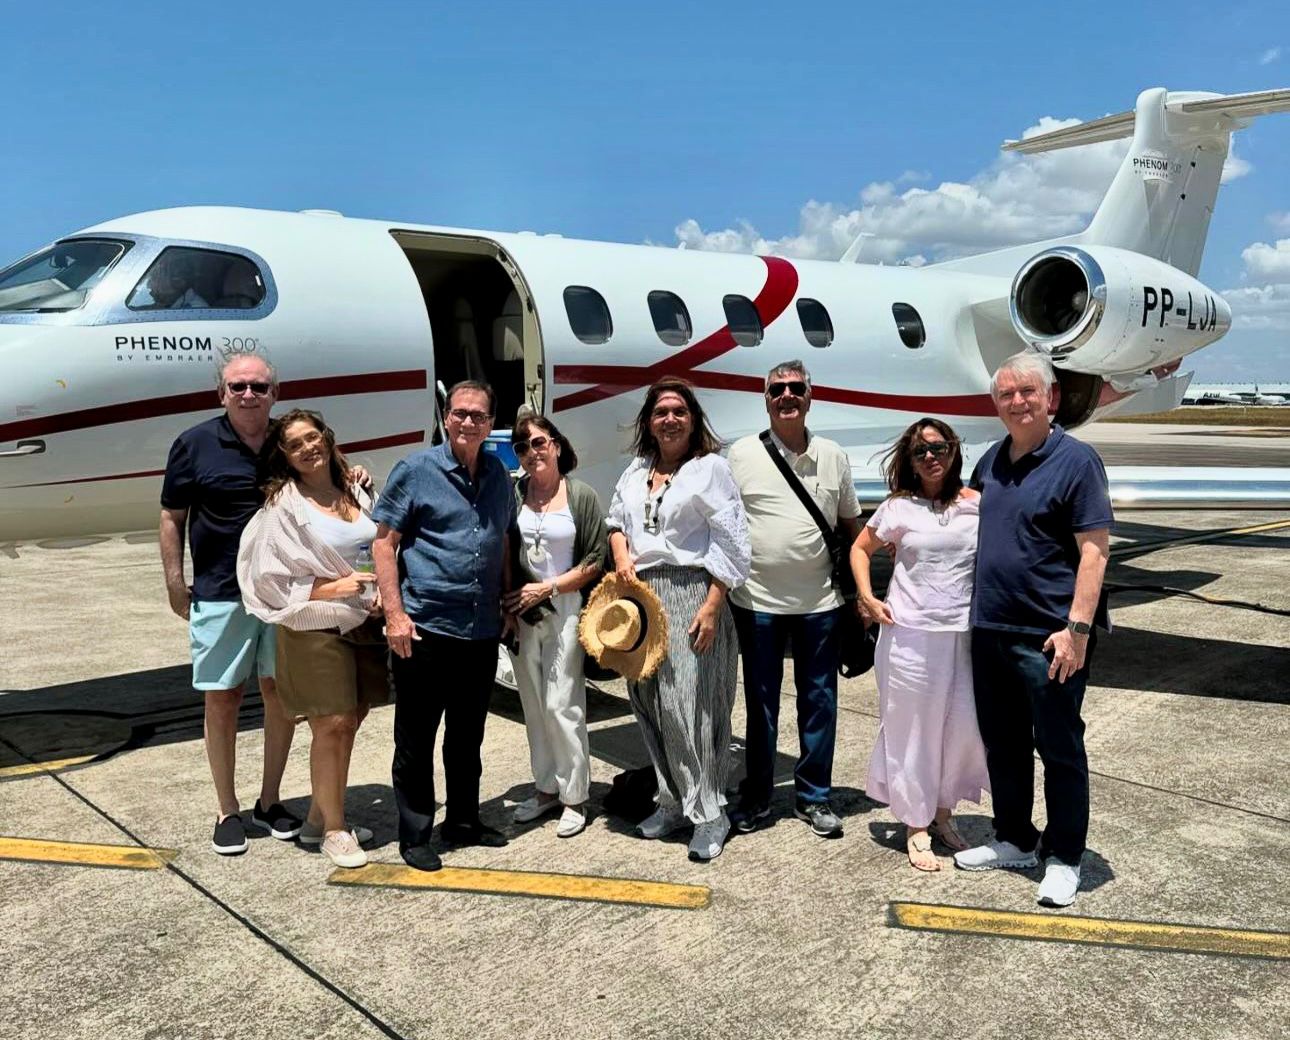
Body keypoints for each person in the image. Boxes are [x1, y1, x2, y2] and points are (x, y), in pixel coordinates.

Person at [953, 351, 1112, 909]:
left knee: (1060, 747)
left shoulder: (1078, 461)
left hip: (1049, 637)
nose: (1016, 401)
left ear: (1051, 399)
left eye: (1027, 392)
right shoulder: (991, 461)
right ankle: (1015, 838)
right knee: (1005, 744)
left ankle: (1066, 855)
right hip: (991, 628)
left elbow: (1093, 552)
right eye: (1005, 394)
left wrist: (1078, 630)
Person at [372, 380, 518, 872]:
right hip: (426, 627)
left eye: (478, 415)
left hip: (479, 629)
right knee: (416, 737)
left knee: (466, 736)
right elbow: (384, 543)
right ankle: (415, 833)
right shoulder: (416, 471)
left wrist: (506, 603)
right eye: (459, 413)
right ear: (446, 416)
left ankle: (463, 820)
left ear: (490, 421)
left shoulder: (499, 475)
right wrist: (394, 614)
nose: (468, 422)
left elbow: (500, 541)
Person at [160, 353, 299, 855]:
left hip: (284, 593)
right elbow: (172, 516)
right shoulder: (194, 444)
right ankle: (227, 809)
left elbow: (329, 480)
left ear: (274, 393)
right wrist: (176, 581)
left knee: (279, 694)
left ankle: (270, 801)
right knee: (223, 698)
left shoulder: (291, 440)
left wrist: (359, 477)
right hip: (221, 591)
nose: (248, 395)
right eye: (238, 386)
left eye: (259, 386)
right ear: (221, 393)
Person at [607, 377, 751, 862]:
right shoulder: (636, 470)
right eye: (661, 412)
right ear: (648, 421)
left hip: (692, 592)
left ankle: (710, 812)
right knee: (647, 701)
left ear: (693, 420)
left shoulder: (710, 469)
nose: (669, 419)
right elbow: (615, 524)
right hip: (642, 595)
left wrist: (712, 605)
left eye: (678, 412)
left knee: (692, 709)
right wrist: (623, 558)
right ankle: (671, 801)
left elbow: (731, 542)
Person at [237, 409, 388, 869]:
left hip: (362, 621)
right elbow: (263, 578)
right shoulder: (283, 506)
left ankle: (319, 819)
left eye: (313, 436)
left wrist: (380, 590)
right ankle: (336, 831)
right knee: (332, 722)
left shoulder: (354, 489)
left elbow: (379, 543)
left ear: (327, 437)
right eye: (295, 444)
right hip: (314, 625)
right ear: (284, 456)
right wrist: (324, 588)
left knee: (353, 716)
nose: (308, 447)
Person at [726, 360, 861, 839]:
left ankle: (814, 796)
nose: (787, 395)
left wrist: (860, 594)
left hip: (820, 604)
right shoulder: (739, 454)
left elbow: (852, 528)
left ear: (810, 395)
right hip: (757, 602)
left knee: (819, 700)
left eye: (795, 388)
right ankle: (758, 795)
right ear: (765, 398)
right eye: (777, 389)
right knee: (761, 704)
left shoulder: (834, 456)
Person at [850, 418, 990, 871]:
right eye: (920, 451)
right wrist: (868, 598)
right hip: (909, 636)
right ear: (909, 461)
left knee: (961, 728)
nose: (930, 456)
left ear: (954, 451)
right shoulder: (898, 508)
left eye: (939, 447)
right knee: (914, 731)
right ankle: (915, 824)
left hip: (963, 636)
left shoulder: (978, 506)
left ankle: (943, 814)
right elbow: (859, 549)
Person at [503, 415, 609, 839]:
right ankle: (546, 788)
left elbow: (595, 559)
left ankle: (575, 795)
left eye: (540, 442)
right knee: (532, 702)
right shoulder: (515, 494)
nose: (533, 452)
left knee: (562, 703)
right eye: (523, 447)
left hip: (565, 606)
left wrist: (546, 589)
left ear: (558, 445)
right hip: (523, 610)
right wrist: (511, 604)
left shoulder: (580, 495)